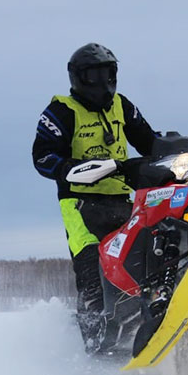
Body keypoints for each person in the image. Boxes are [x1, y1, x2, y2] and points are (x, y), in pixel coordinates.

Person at [32, 43, 157, 352]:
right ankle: (94, 343)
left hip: (123, 201)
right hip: (80, 204)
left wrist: (173, 152)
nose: (102, 82)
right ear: (78, 78)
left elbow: (149, 142)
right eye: (93, 76)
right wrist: (67, 168)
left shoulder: (122, 106)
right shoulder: (61, 111)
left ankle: (150, 320)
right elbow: (41, 156)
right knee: (93, 269)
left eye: (107, 73)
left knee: (144, 262)